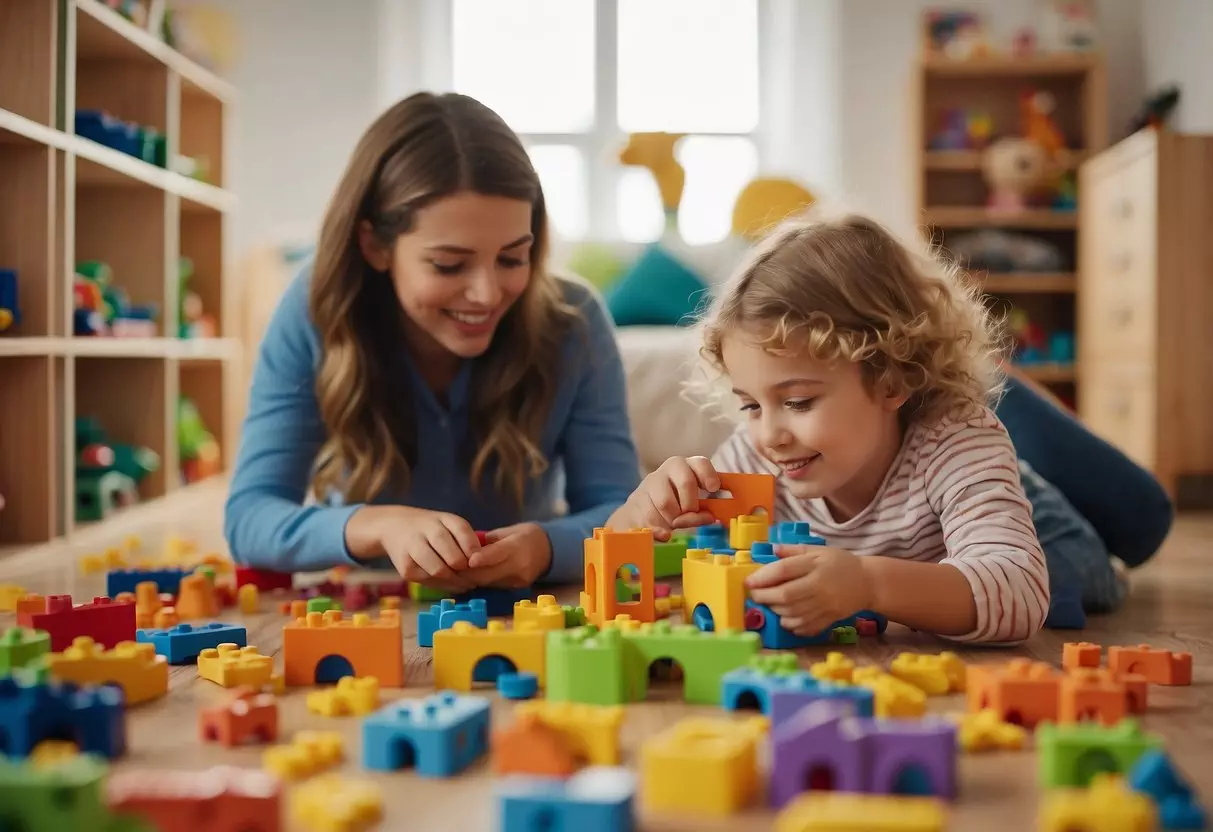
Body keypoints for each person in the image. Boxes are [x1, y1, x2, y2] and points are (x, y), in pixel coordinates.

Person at [608, 212, 1171, 644]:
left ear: (891, 378)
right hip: (937, 526)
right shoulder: (759, 456)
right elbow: (621, 563)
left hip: (1023, 519)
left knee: (1084, 583)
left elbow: (1019, 592)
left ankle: (1000, 399)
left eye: (798, 401)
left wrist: (870, 585)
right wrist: (640, 513)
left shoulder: (955, 443)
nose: (769, 434)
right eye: (751, 405)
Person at [224, 92, 641, 591]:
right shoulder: (316, 309)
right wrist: (377, 526)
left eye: (512, 258)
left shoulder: (575, 321)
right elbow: (249, 517)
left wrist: (546, 548)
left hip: (526, 610)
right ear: (375, 245)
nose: (487, 293)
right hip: (371, 607)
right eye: (449, 264)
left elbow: (624, 513)